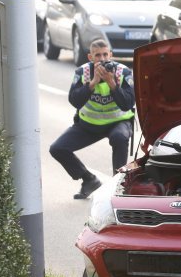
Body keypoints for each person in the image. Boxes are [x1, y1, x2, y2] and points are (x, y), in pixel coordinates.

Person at [50, 38, 135, 199]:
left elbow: (127, 103)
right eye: (97, 56)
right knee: (57, 148)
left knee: (119, 137)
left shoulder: (122, 72)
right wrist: (93, 82)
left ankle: (118, 186)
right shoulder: (83, 72)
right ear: (90, 57)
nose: (102, 60)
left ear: (111, 54)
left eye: (105, 55)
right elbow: (74, 100)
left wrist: (112, 84)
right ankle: (88, 179)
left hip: (118, 122)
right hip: (89, 124)